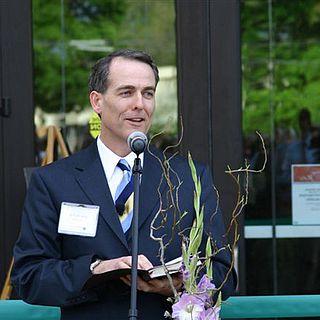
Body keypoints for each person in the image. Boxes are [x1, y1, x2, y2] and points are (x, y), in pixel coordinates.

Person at [12, 49, 236, 319]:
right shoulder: (53, 181)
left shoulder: (189, 178)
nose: (140, 104)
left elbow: (224, 275)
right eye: (126, 92)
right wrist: (97, 271)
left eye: (148, 93)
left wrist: (176, 285)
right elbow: (29, 277)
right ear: (97, 101)